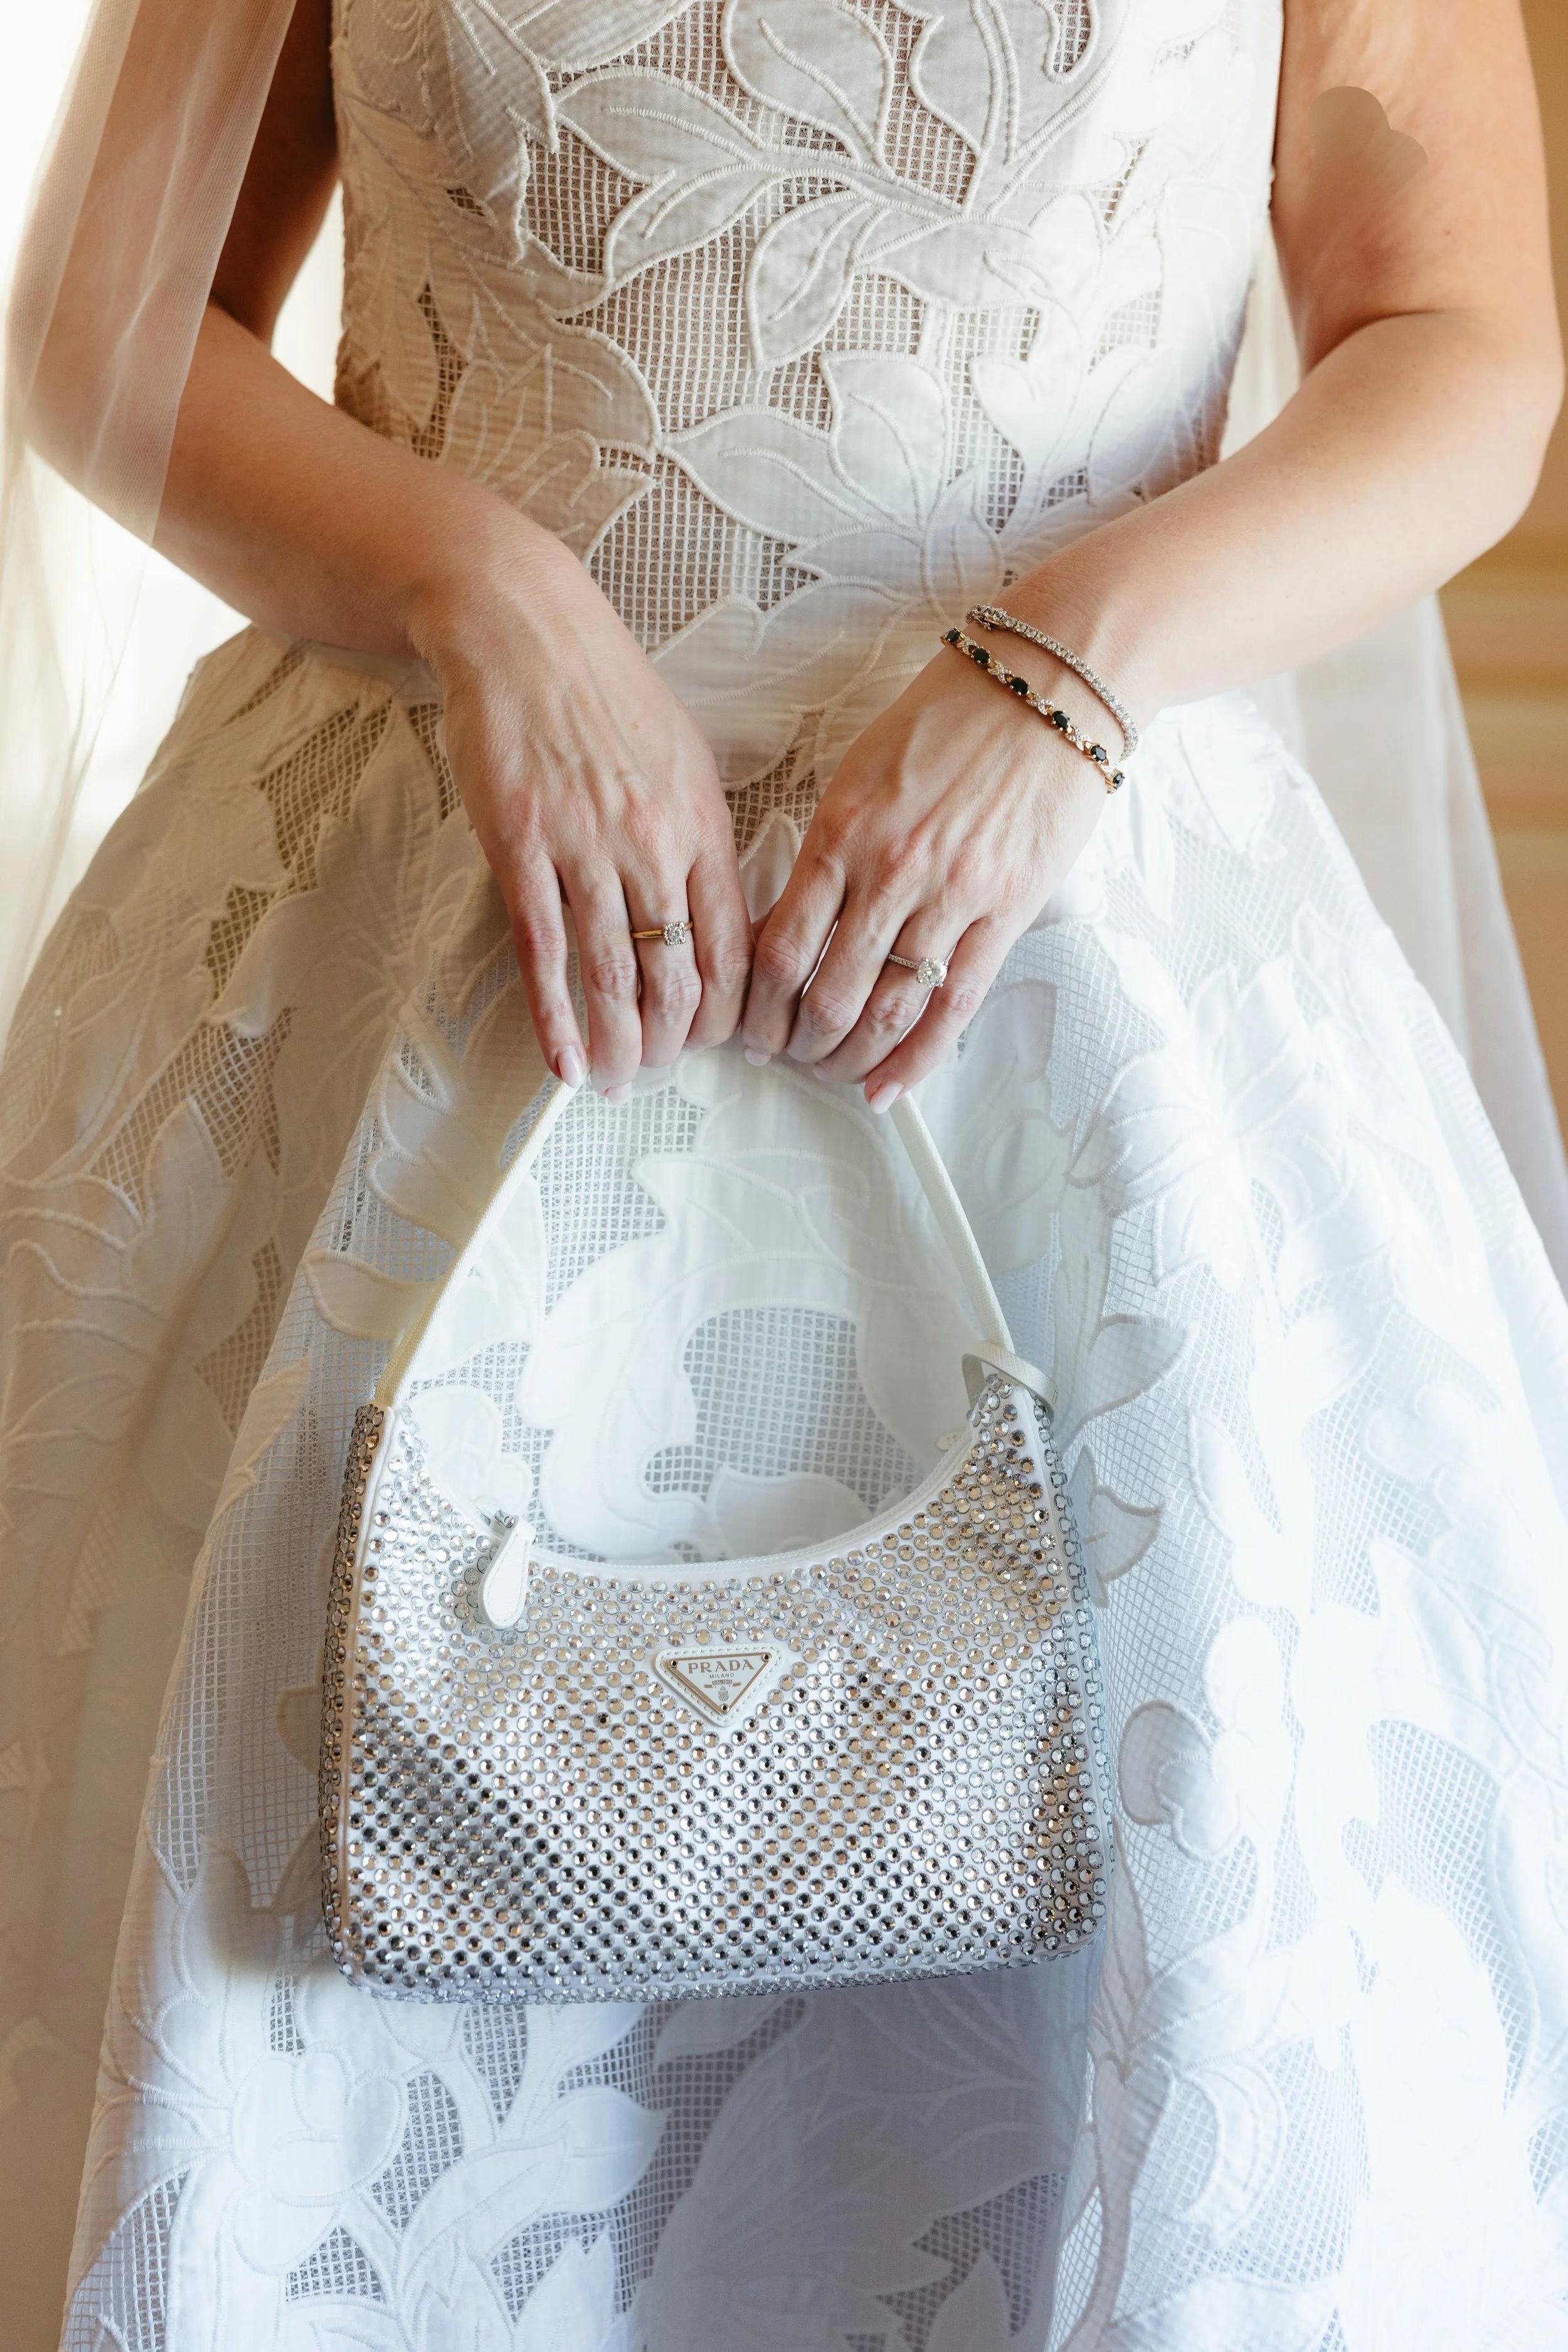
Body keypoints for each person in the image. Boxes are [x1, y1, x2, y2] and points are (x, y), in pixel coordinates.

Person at [3, 0, 1567, 2341]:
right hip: (420, 941)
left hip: (1080, 985)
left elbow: (1455, 342)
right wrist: (477, 585)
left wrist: (1075, 657)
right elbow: (113, 331)